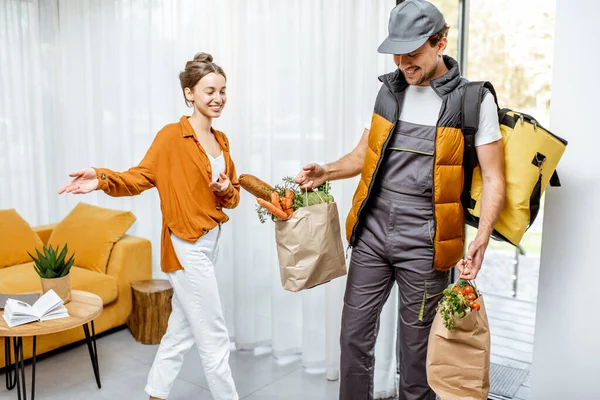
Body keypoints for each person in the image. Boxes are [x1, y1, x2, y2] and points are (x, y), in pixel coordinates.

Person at [295, 1, 505, 399]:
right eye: (397, 50)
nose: (403, 62)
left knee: (417, 355)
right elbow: (364, 155)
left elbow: (494, 177)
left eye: (413, 52)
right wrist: (328, 171)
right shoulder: (388, 92)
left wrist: (482, 238)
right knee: (353, 339)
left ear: (440, 42)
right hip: (373, 233)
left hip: (427, 242)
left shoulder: (473, 101)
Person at [58, 52, 240, 400]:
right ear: (189, 94)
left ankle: (155, 393)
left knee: (181, 330)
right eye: (209, 91)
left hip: (211, 240)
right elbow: (139, 177)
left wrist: (225, 189)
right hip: (186, 246)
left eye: (223, 90)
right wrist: (100, 178)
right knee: (214, 336)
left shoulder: (222, 141)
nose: (218, 98)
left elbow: (232, 198)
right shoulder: (171, 137)